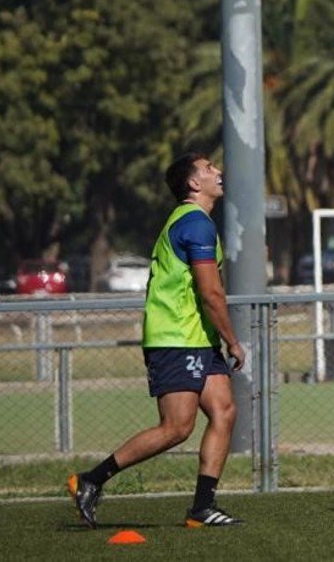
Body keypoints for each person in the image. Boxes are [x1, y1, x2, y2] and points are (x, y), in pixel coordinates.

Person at [68, 152, 247, 529]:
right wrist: (233, 340)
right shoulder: (195, 224)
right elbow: (211, 293)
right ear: (194, 184)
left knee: (224, 410)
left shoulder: (196, 221)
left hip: (196, 336)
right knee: (176, 428)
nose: (217, 171)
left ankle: (202, 507)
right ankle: (91, 480)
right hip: (176, 337)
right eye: (209, 168)